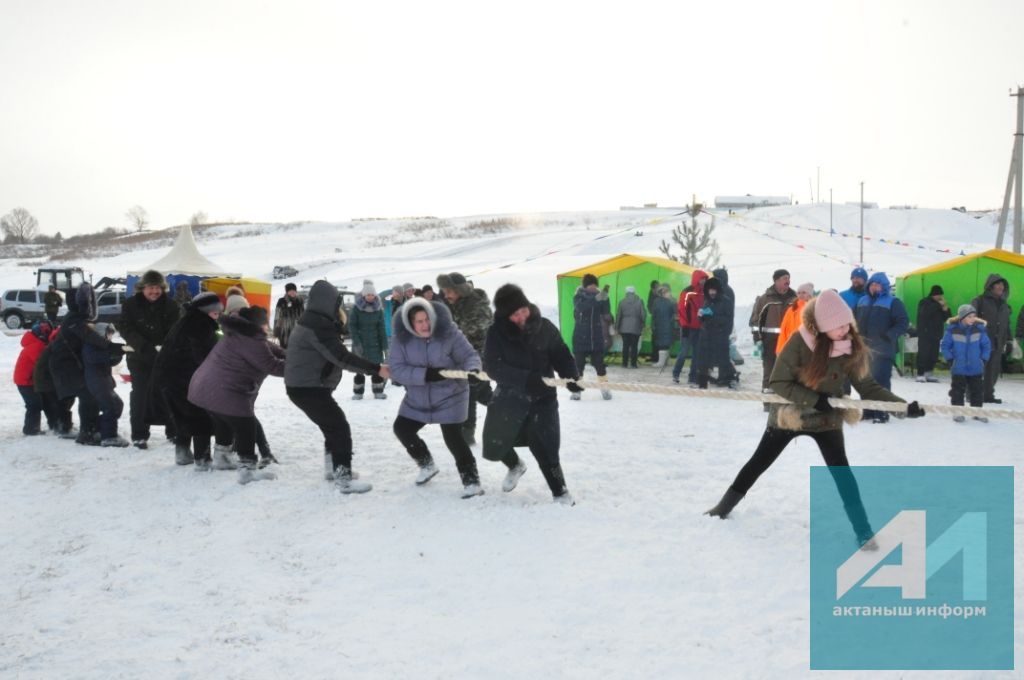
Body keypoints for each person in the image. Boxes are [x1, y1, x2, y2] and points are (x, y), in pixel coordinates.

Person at [705, 290, 925, 547]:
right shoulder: (800, 342)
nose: (846, 329)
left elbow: (869, 389)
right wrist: (813, 400)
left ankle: (863, 531)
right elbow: (778, 382)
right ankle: (723, 507)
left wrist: (903, 408)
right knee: (758, 462)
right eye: (838, 326)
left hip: (826, 420)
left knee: (843, 474)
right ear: (821, 327)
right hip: (791, 415)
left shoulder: (850, 346)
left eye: (847, 323)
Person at [284, 280, 390, 493]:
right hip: (308, 388)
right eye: (336, 303)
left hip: (306, 387)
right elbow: (341, 356)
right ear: (329, 302)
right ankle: (344, 477)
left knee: (331, 427)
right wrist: (376, 368)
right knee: (339, 428)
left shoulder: (313, 320)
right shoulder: (317, 325)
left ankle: (333, 469)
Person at [481, 284, 583, 504]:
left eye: (523, 310)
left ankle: (560, 492)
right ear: (505, 316)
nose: (521, 317)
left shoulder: (544, 327)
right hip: (509, 398)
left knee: (546, 448)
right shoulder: (495, 334)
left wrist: (571, 376)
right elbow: (492, 366)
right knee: (494, 444)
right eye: (515, 314)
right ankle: (515, 465)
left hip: (542, 398)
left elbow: (561, 355)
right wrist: (524, 379)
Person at [389, 297, 485, 498]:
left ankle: (472, 482)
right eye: (419, 321)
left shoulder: (449, 333)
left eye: (427, 320)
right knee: (402, 428)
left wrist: (473, 370)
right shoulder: (401, 339)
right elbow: (397, 370)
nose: (425, 325)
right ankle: (426, 464)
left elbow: (469, 356)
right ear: (410, 323)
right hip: (418, 396)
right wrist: (425, 375)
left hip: (450, 394)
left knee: (453, 438)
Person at [189, 306, 285, 480]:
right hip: (225, 389)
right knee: (245, 426)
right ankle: (247, 469)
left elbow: (269, 347)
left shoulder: (237, 333)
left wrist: (289, 354)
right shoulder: (251, 340)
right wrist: (301, 366)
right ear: (259, 324)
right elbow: (273, 366)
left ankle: (223, 457)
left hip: (204, 387)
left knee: (223, 420)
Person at [153, 292, 223, 467]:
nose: (218, 314)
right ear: (205, 310)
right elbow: (203, 356)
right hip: (185, 378)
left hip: (170, 377)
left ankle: (182, 453)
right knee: (200, 417)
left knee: (183, 416)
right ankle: (202, 458)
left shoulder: (186, 322)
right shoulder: (201, 325)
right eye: (214, 311)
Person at [118, 269, 182, 449]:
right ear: (142, 288)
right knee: (140, 395)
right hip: (139, 357)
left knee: (168, 393)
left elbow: (175, 329)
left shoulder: (171, 305)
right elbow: (125, 327)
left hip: (164, 359)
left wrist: (166, 348)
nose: (154, 291)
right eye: (150, 287)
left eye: (158, 288)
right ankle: (139, 434)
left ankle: (173, 430)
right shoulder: (130, 304)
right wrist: (143, 346)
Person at [436, 271, 494, 445]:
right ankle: (511, 412)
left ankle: (467, 435)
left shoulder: (477, 305)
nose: (446, 296)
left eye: (448, 292)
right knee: (483, 393)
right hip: (464, 358)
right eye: (444, 292)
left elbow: (473, 329)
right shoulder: (455, 303)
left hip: (479, 357)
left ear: (459, 290)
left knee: (468, 394)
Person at [47, 283, 101, 445]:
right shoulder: (75, 319)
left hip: (66, 363)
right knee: (87, 395)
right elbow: (91, 338)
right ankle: (87, 433)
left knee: (69, 396)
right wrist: (111, 346)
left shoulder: (74, 317)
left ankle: (64, 426)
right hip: (64, 364)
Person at [854, 272, 909, 423]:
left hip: (884, 350)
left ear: (884, 286)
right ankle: (868, 411)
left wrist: (888, 336)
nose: (874, 287)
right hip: (864, 350)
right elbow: (855, 322)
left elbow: (903, 323)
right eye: (872, 284)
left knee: (881, 382)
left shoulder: (893, 302)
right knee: (865, 382)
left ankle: (881, 413)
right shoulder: (862, 301)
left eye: (877, 284)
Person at [941, 304, 991, 423]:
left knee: (977, 391)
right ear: (962, 317)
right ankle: (958, 412)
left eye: (974, 316)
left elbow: (986, 346)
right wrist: (950, 359)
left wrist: (983, 359)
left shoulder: (979, 329)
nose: (972, 319)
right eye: (969, 317)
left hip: (975, 367)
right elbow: (945, 346)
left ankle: (977, 412)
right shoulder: (952, 330)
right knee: (957, 391)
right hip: (959, 367)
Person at [81, 322, 129, 447]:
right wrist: (114, 352)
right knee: (110, 407)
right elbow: (95, 358)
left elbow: (109, 361)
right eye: (108, 334)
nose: (110, 337)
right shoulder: (91, 345)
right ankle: (109, 436)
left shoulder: (102, 345)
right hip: (96, 381)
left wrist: (119, 353)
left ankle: (97, 429)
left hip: (104, 380)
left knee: (117, 404)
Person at [750, 269, 796, 393]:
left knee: (788, 372)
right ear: (776, 281)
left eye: (788, 278)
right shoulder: (764, 299)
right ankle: (768, 401)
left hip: (790, 341)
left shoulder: (795, 299)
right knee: (769, 371)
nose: (787, 281)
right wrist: (758, 340)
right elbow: (755, 321)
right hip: (770, 341)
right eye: (784, 278)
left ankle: (784, 399)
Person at [971, 274, 1011, 404]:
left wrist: (1009, 341)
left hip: (998, 343)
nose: (1001, 286)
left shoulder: (1005, 306)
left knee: (993, 370)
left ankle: (988, 394)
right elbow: (970, 320)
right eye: (998, 284)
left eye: (1002, 284)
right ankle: (971, 394)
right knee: (977, 369)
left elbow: (1006, 324)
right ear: (990, 285)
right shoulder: (979, 301)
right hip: (981, 342)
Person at [571, 273, 611, 400]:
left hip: (596, 337)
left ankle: (605, 389)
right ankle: (576, 390)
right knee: (578, 365)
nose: (593, 288)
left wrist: (605, 299)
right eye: (591, 286)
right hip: (580, 336)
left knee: (600, 365)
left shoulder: (599, 296)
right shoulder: (578, 296)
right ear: (586, 286)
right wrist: (596, 299)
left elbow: (606, 314)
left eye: (595, 286)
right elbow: (581, 308)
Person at [693, 278, 737, 389]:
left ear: (718, 290)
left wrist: (712, 318)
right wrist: (701, 316)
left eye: (713, 290)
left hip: (720, 335)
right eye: (709, 290)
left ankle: (729, 379)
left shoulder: (726, 301)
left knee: (723, 360)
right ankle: (702, 383)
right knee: (703, 360)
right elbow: (703, 318)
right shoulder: (707, 301)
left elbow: (728, 319)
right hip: (706, 336)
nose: (711, 293)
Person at [349, 280, 388, 400]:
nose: (370, 297)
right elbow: (352, 326)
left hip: (375, 344)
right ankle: (358, 392)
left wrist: (384, 345)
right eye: (368, 295)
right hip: (361, 344)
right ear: (364, 295)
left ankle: (378, 391)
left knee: (376, 369)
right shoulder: (356, 309)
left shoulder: (378, 309)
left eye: (372, 295)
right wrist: (356, 343)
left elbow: (381, 328)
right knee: (360, 369)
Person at [33, 326, 76, 438]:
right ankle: (62, 428)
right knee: (59, 403)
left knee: (54, 405)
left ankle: (56, 426)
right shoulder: (59, 345)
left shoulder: (56, 344)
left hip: (44, 381)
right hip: (47, 382)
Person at [13, 320, 53, 435]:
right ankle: (31, 429)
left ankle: (32, 428)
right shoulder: (36, 346)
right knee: (34, 404)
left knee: (37, 403)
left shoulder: (34, 343)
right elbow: (42, 364)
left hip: (27, 379)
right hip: (25, 381)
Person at [672, 270, 708, 385]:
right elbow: (681, 309)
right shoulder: (687, 292)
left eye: (705, 279)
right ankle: (676, 374)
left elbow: (707, 308)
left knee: (697, 353)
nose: (704, 281)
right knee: (684, 352)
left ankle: (692, 377)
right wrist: (684, 325)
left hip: (699, 328)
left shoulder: (705, 293)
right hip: (687, 327)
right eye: (702, 278)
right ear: (697, 279)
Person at [915, 284, 948, 382]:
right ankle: (920, 373)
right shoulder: (924, 302)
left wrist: (946, 309)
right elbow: (925, 313)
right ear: (934, 294)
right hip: (925, 333)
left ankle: (929, 373)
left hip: (936, 333)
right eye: (939, 295)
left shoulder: (939, 304)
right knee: (923, 353)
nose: (940, 297)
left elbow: (946, 319)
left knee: (933, 354)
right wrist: (939, 305)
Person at [777, 282, 814, 351]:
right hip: (791, 346)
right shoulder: (791, 310)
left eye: (804, 292)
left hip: (808, 347)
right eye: (799, 293)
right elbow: (783, 330)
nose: (801, 295)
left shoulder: (814, 308)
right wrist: (780, 349)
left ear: (810, 295)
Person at [615, 285, 646, 369]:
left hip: (624, 327)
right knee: (634, 346)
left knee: (625, 346)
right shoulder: (640, 301)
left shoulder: (622, 302)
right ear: (634, 292)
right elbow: (643, 314)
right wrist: (643, 323)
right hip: (636, 326)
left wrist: (617, 327)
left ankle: (624, 364)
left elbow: (618, 315)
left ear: (626, 292)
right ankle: (633, 364)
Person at [650, 285, 676, 369]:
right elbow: (675, 313)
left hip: (660, 325)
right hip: (667, 325)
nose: (669, 293)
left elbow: (653, 314)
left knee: (662, 343)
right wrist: (671, 321)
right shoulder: (671, 302)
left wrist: (653, 325)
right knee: (665, 344)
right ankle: (664, 362)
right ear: (663, 293)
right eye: (667, 292)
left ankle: (662, 362)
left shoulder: (656, 302)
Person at [273, 282, 304, 349]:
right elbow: (277, 316)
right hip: (285, 331)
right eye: (290, 291)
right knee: (285, 350)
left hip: (298, 330)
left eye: (294, 290)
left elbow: (303, 315)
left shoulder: (300, 300)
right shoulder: (282, 301)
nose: (292, 292)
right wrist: (276, 330)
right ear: (287, 292)